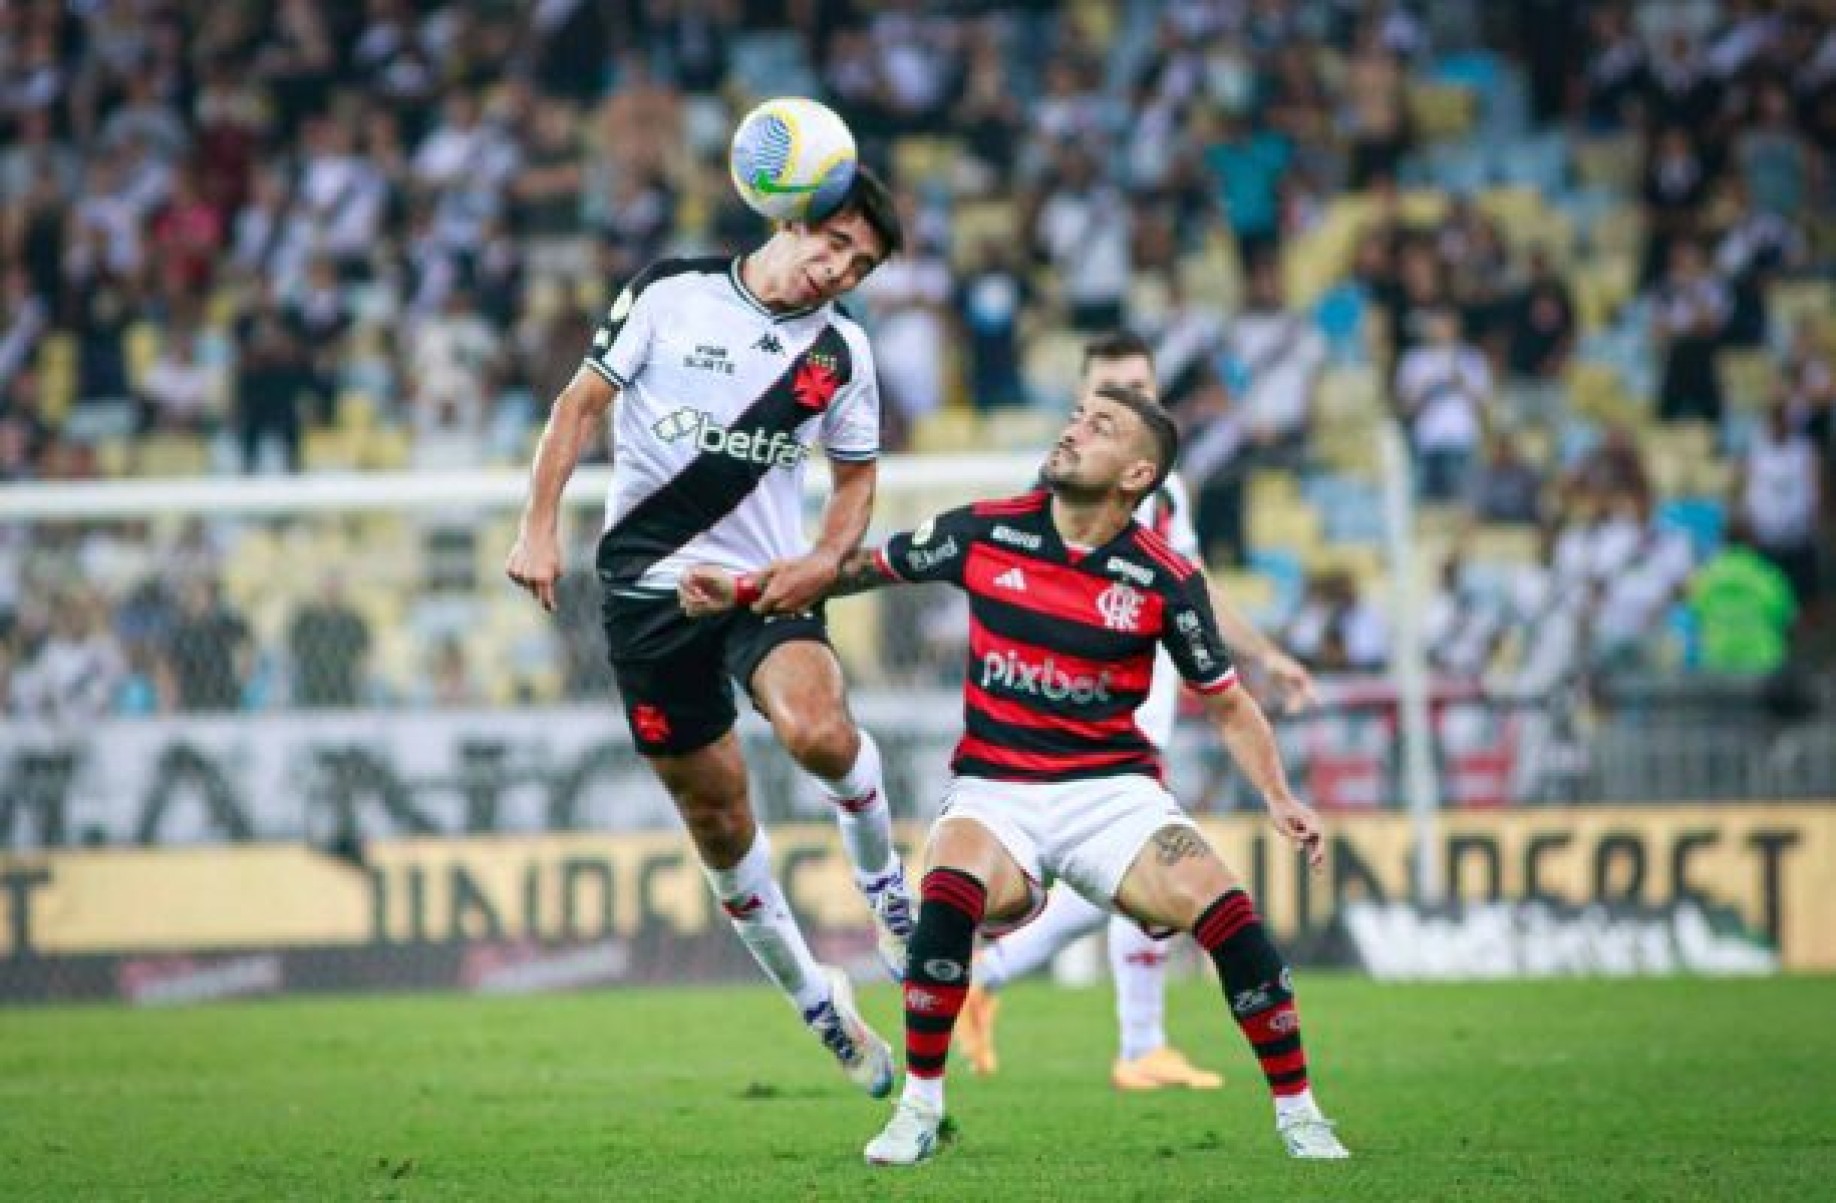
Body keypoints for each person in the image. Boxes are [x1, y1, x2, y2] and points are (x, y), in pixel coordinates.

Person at [681, 384, 1350, 1164]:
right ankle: (919, 1107)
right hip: (995, 790)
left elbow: (1228, 704)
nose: (1073, 431)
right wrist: (748, 588)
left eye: (1098, 427)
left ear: (1136, 475)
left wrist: (1278, 794)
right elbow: (862, 567)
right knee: (947, 895)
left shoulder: (1166, 580)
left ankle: (1300, 1112)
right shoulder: (986, 530)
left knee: (1232, 916)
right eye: (1075, 416)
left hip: (1114, 797)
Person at [505, 166, 914, 1100]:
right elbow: (577, 408)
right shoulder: (669, 294)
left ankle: (889, 893)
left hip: (761, 588)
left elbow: (854, 481)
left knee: (817, 731)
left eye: (860, 265)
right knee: (719, 820)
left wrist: (823, 557)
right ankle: (819, 1001)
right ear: (791, 218)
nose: (839, 271)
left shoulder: (841, 355)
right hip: (648, 599)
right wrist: (537, 524)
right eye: (835, 243)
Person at [954, 331, 1318, 1093]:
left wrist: (1261, 654)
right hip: (1086, 707)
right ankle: (1084, 1014)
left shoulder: (1167, 489)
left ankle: (1123, 1033)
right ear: (1084, 396)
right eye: (1114, 387)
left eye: (1143, 385)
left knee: (1135, 873)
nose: (1133, 397)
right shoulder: (1061, 489)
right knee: (1129, 866)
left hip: (1151, 687)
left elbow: (1195, 588)